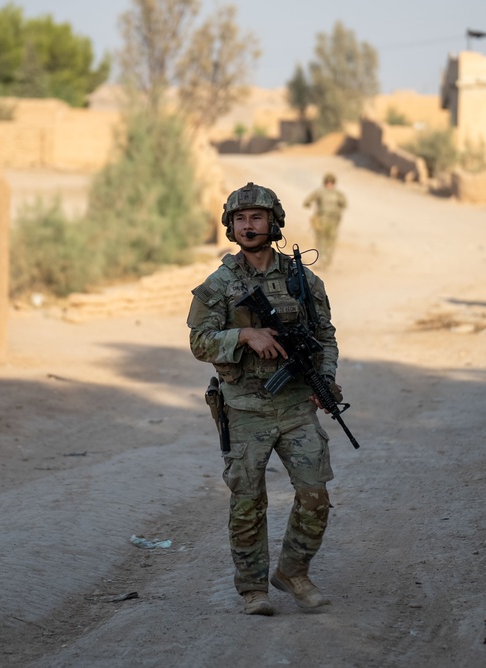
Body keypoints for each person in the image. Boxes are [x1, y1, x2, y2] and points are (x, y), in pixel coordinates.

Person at [187, 182, 342, 616]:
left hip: (295, 405)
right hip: (246, 408)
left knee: (315, 495)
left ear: (273, 222)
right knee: (247, 501)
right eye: (240, 219)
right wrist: (244, 335)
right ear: (229, 226)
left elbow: (325, 336)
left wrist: (324, 378)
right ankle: (253, 588)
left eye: (257, 217)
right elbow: (199, 342)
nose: (248, 226)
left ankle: (293, 571)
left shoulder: (301, 279)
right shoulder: (219, 284)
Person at [302, 173, 347, 270]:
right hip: (322, 220)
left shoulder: (337, 194)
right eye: (328, 182)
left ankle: (327, 261)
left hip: (333, 220)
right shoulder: (320, 192)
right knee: (321, 241)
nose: (329, 184)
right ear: (325, 183)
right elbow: (307, 201)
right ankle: (322, 261)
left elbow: (344, 204)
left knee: (330, 241)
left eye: (331, 182)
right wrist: (309, 204)